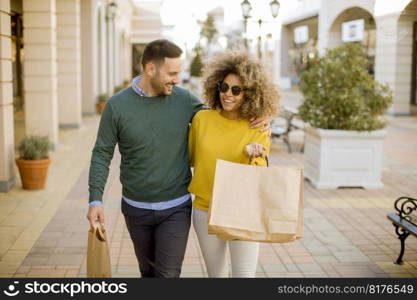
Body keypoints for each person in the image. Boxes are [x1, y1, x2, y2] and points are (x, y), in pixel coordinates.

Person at [86, 39, 270, 278]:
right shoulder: (117, 106)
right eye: (172, 73)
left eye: (179, 73)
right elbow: (102, 153)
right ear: (151, 69)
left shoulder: (184, 100)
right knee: (147, 271)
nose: (177, 79)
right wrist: (95, 200)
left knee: (169, 274)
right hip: (135, 207)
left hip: (176, 207)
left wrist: (262, 115)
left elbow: (223, 115)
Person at [188, 51, 279, 278]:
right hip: (205, 208)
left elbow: (259, 172)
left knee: (244, 276)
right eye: (224, 87)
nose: (228, 94)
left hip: (242, 208)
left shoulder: (257, 126)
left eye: (237, 90)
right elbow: (190, 158)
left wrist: (255, 155)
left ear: (250, 94)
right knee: (216, 276)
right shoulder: (202, 120)